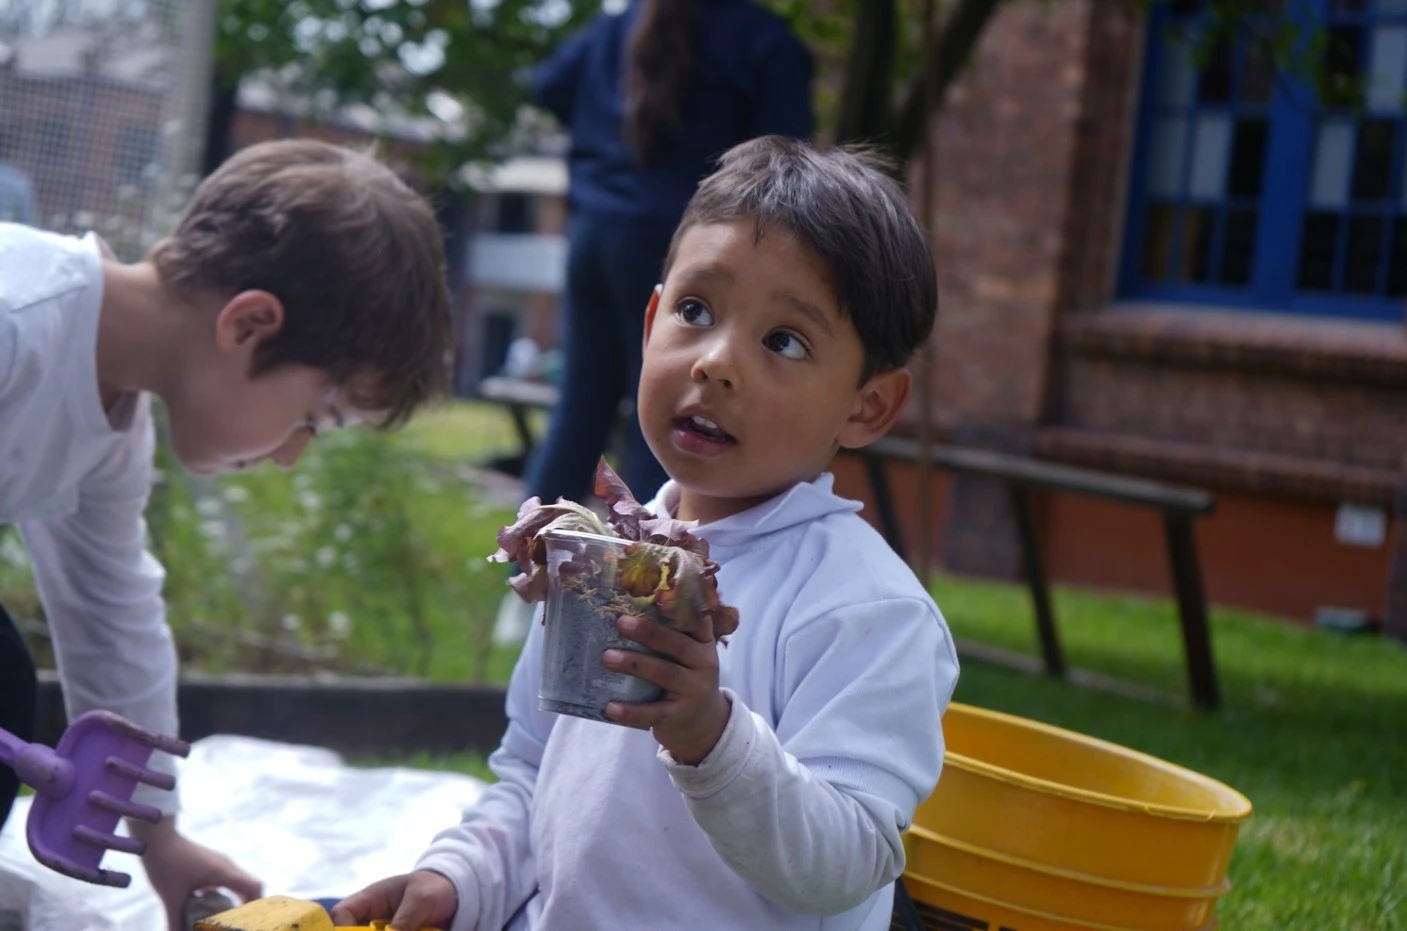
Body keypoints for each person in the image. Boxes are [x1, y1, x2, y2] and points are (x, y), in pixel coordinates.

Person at [332, 135, 959, 931]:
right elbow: (532, 771)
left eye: (784, 341)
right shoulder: (602, 563)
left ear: (867, 405)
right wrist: (459, 880)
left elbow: (847, 863)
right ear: (652, 319)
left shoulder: (864, 608)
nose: (717, 363)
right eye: (696, 311)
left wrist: (708, 733)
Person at [0, 138, 452, 931]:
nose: (289, 454)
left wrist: (159, 838)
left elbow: (111, 612)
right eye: (313, 417)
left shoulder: (113, 419)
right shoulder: (17, 321)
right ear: (247, 325)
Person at [524, 0, 813, 505]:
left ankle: (528, 570)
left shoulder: (619, 24)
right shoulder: (760, 39)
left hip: (593, 233)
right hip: (678, 248)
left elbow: (548, 83)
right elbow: (789, 163)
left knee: (579, 409)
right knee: (666, 418)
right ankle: (647, 574)